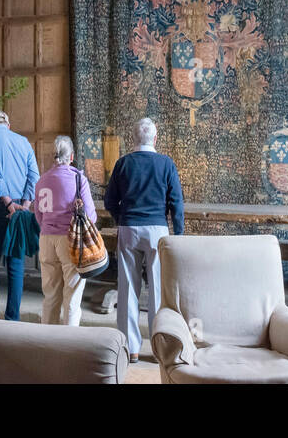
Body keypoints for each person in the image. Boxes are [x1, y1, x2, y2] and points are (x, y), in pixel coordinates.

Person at [104, 117, 184, 364]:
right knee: (158, 290)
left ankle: (132, 348)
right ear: (155, 138)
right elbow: (176, 203)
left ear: (134, 138)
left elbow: (109, 201)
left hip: (129, 228)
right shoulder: (166, 164)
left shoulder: (123, 163)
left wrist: (122, 219)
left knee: (128, 288)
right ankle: (159, 348)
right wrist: (178, 235)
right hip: (157, 230)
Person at [0, 109, 39, 321]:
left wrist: (7, 202)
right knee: (15, 265)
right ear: (9, 125)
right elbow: (34, 175)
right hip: (21, 208)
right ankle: (12, 320)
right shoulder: (23, 141)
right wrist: (25, 203)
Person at [34, 134, 96, 326]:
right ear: (71, 156)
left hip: (45, 238)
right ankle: (69, 344)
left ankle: (46, 341)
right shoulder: (78, 179)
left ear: (55, 156)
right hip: (70, 240)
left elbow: (38, 214)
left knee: (50, 295)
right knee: (72, 296)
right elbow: (91, 215)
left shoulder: (42, 180)